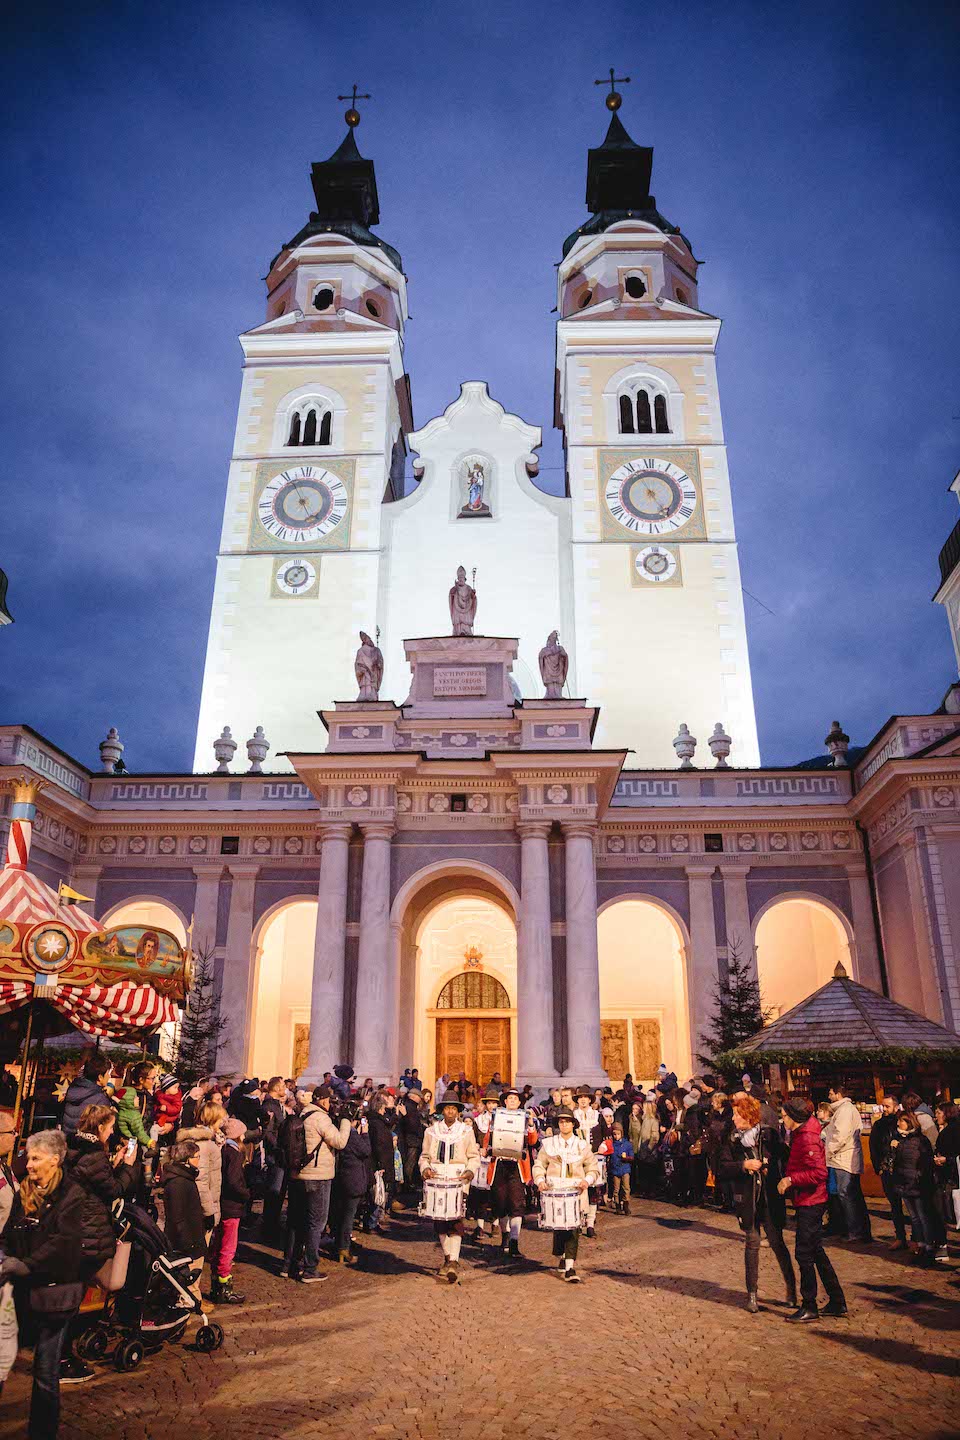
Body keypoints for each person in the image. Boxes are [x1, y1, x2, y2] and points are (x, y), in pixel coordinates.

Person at [0, 1130, 98, 1438]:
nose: (28, 1164)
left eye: (35, 1158)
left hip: (55, 1296)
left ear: (54, 1161)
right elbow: (10, 1232)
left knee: (45, 1372)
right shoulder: (24, 1190)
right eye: (28, 1157)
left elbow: (62, 1243)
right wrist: (4, 1253)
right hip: (21, 1293)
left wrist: (25, 1264)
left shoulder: (72, 1195)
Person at [717, 1094, 796, 1314]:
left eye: (736, 1114)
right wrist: (743, 1165)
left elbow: (787, 1156)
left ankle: (791, 1290)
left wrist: (778, 1173)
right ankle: (752, 1294)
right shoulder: (731, 1139)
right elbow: (722, 1167)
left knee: (777, 1243)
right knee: (751, 1245)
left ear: (748, 1116)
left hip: (770, 1198)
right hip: (747, 1198)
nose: (733, 1119)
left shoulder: (768, 1135)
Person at [777, 1096, 846, 1322]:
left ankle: (809, 1305)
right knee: (816, 1251)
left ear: (795, 1117)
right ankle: (837, 1300)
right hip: (806, 1199)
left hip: (812, 1201)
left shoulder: (807, 1138)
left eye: (785, 1115)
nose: (782, 1119)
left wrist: (791, 1180)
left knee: (804, 1253)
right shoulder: (799, 1134)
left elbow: (819, 1173)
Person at [286, 1085, 351, 1283]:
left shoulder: (302, 1114)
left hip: (299, 1175)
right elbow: (339, 1142)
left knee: (297, 1222)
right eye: (329, 1101)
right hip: (318, 1176)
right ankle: (310, 1268)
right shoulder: (321, 1118)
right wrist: (346, 1121)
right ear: (323, 1100)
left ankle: (289, 1264)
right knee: (316, 1223)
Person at [533, 1106, 598, 1284]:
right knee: (559, 1228)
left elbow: (592, 1167)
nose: (564, 1125)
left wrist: (588, 1180)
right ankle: (561, 1255)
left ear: (573, 1124)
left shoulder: (582, 1145)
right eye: (561, 1122)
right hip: (554, 1192)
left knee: (574, 1228)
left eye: (568, 1122)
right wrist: (540, 1180)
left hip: (576, 1192)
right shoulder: (549, 1144)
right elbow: (539, 1164)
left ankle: (570, 1267)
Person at [420, 1091, 479, 1283]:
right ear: (442, 1111)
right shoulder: (431, 1131)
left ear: (458, 1111)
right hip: (437, 1181)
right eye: (447, 1108)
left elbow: (473, 1156)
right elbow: (425, 1156)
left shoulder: (466, 1132)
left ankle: (453, 1260)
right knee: (439, 1222)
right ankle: (447, 1257)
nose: (451, 1111)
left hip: (458, 1181)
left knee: (456, 1221)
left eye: (454, 1108)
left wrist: (470, 1171)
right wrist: (426, 1168)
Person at [488, 1088, 538, 1261]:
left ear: (519, 1103)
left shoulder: (524, 1119)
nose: (512, 1101)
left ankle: (515, 1242)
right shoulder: (496, 1117)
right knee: (500, 1203)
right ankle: (505, 1237)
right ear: (505, 1101)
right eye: (509, 1098)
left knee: (517, 1203)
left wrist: (531, 1124)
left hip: (517, 1166)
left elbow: (532, 1141)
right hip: (499, 1164)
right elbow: (489, 1139)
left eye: (515, 1099)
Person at [160, 1139, 208, 1305]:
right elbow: (177, 1217)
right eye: (197, 1157)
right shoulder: (179, 1182)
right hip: (186, 1243)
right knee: (186, 1280)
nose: (199, 1160)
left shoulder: (184, 1178)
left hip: (191, 1237)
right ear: (187, 1159)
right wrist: (189, 1244)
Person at [824, 1084, 872, 1243]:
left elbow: (840, 1135)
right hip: (842, 1158)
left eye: (831, 1093)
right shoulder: (841, 1110)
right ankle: (855, 1229)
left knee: (848, 1195)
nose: (829, 1096)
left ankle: (855, 1231)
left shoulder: (844, 1110)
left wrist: (829, 1150)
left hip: (844, 1159)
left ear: (838, 1094)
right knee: (849, 1195)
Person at [890, 1111, 938, 1264]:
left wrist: (920, 1178)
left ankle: (929, 1247)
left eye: (901, 1122)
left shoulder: (920, 1140)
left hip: (917, 1184)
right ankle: (921, 1245)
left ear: (909, 1122)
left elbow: (926, 1162)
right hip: (904, 1183)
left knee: (923, 1217)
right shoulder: (900, 1140)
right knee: (915, 1218)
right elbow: (896, 1162)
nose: (898, 1124)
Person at [211, 1115, 250, 1303]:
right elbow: (234, 1182)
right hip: (231, 1206)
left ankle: (216, 1284)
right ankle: (224, 1286)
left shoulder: (224, 1151)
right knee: (228, 1247)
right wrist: (246, 1193)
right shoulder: (234, 1154)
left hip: (223, 1204)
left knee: (219, 1245)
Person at [177, 1099, 226, 1231]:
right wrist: (209, 1212)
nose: (223, 1121)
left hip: (206, 1202)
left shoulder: (211, 1140)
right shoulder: (203, 1144)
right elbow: (200, 1179)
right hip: (201, 1208)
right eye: (220, 1118)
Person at [332, 1103, 371, 1265]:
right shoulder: (353, 1135)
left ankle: (339, 1245)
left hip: (340, 1177)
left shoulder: (337, 1130)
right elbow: (365, 1151)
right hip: (353, 1179)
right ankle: (343, 1248)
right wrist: (365, 1134)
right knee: (348, 1217)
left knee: (340, 1215)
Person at [869, 1094, 908, 1250]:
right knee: (894, 1204)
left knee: (912, 1205)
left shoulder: (902, 1122)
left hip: (902, 1168)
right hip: (886, 1168)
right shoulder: (879, 1125)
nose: (884, 1109)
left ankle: (918, 1239)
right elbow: (874, 1146)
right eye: (883, 1106)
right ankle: (900, 1236)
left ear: (896, 1107)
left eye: (887, 1106)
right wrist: (877, 1166)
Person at [467, 1089, 500, 1245]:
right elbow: (473, 1139)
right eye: (489, 1103)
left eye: (494, 1103)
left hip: (496, 1159)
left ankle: (495, 1223)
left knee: (496, 1194)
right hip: (483, 1160)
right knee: (481, 1194)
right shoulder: (479, 1120)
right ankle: (480, 1226)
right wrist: (478, 1147)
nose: (491, 1106)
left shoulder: (502, 1119)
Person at [932, 1101, 960, 1261]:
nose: (936, 1117)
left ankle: (942, 1246)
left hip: (951, 1178)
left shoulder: (953, 1131)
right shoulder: (947, 1129)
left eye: (939, 1113)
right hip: (948, 1176)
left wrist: (945, 1160)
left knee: (944, 1211)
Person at [366, 1091, 398, 1232]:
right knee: (378, 1194)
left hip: (383, 1161)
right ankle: (372, 1222)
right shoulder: (376, 1123)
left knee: (380, 1193)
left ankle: (374, 1221)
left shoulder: (379, 1121)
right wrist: (380, 1164)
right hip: (380, 1163)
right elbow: (379, 1145)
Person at [260, 1076, 288, 1235]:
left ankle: (273, 1222)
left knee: (278, 1192)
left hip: (279, 1155)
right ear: (276, 1088)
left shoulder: (276, 1105)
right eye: (283, 1085)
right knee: (274, 1192)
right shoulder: (270, 1106)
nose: (285, 1088)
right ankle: (269, 1226)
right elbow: (268, 1132)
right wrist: (279, 1147)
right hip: (275, 1156)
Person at [60, 1056, 113, 1135]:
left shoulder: (72, 1089)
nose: (109, 1076)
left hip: (66, 1139)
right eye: (108, 1073)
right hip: (85, 1144)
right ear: (100, 1077)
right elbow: (101, 1131)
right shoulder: (100, 1099)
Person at [395, 1086, 427, 1203]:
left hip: (409, 1140)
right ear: (414, 1097)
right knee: (409, 1164)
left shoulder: (407, 1105)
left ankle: (407, 1185)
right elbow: (411, 1125)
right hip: (411, 1140)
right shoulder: (410, 1107)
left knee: (409, 1164)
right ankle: (406, 1186)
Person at [609, 1123, 634, 1215]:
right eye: (614, 1134)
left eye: (618, 1134)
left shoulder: (627, 1144)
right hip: (615, 1169)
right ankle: (618, 1205)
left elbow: (632, 1156)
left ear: (621, 1133)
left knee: (626, 1187)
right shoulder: (611, 1144)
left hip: (625, 1168)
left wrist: (626, 1158)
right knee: (616, 1189)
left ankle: (626, 1205)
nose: (616, 1136)